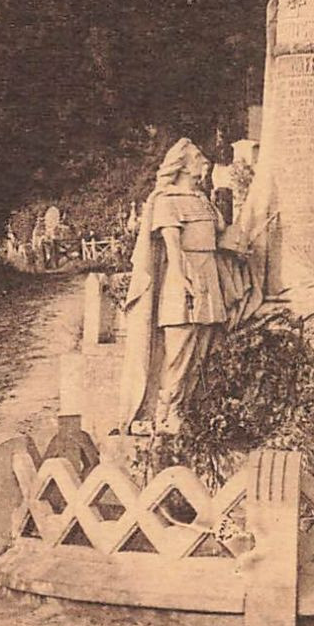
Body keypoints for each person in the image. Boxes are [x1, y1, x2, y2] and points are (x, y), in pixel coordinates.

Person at [118, 139, 252, 434]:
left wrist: (234, 247)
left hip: (209, 278)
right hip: (183, 280)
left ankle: (191, 410)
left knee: (206, 346)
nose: (204, 163)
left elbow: (215, 240)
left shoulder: (203, 201)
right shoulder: (167, 200)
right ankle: (166, 413)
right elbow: (172, 247)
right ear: (181, 165)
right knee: (179, 351)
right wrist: (182, 279)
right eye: (197, 158)